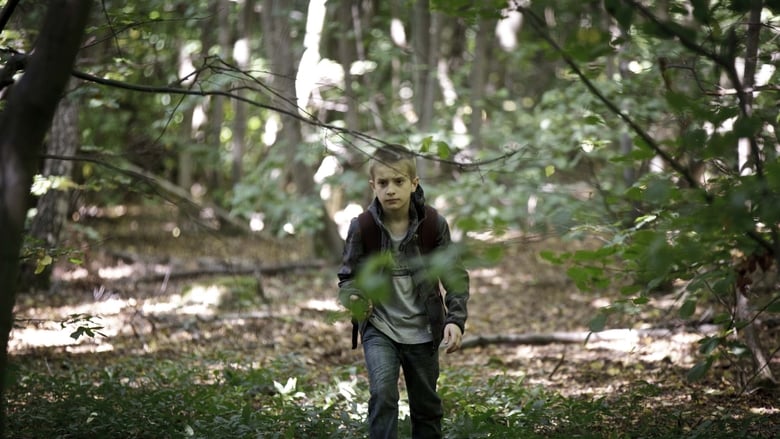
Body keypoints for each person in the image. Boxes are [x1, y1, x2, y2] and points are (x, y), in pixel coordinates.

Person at [337, 144, 470, 439]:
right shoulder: (363, 227)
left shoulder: (433, 224)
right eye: (383, 183)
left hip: (424, 331)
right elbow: (347, 278)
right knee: (383, 396)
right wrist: (355, 297)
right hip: (380, 328)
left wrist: (455, 320)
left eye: (398, 181)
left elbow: (455, 277)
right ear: (373, 186)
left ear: (414, 183)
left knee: (426, 407)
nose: (391, 190)